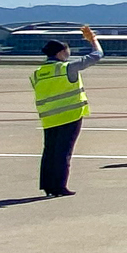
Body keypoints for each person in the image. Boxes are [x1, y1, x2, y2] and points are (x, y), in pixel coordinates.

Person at [32, 26, 101, 198]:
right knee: (64, 152)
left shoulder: (37, 73)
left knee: (49, 152)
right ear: (61, 52)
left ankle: (48, 186)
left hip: (49, 117)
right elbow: (97, 55)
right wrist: (93, 40)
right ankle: (59, 186)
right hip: (69, 115)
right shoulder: (66, 68)